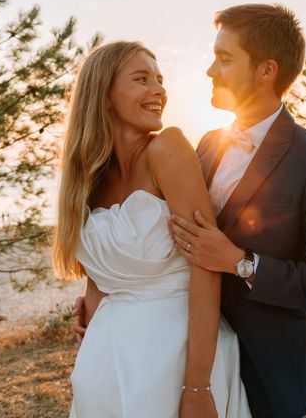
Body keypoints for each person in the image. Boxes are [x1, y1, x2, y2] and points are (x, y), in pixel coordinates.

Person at [75, 4, 306, 417]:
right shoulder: (205, 144)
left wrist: (240, 263)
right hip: (173, 349)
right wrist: (110, 289)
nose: (210, 70)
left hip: (267, 364)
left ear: (266, 71)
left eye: (224, 59)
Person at [53, 41, 250, 418]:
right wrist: (90, 343)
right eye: (141, 79)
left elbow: (205, 267)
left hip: (176, 356)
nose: (158, 90)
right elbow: (99, 281)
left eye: (159, 79)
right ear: (104, 95)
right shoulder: (86, 178)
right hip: (107, 357)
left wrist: (197, 387)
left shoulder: (168, 148)